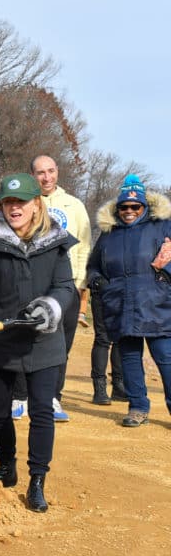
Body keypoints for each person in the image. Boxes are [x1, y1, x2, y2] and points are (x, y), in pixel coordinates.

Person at [0, 174, 76, 512]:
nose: (14, 208)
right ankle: (7, 465)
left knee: (41, 412)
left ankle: (37, 480)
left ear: (37, 204)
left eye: (21, 201)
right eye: (8, 202)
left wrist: (49, 307)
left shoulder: (56, 241)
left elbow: (66, 286)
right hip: (1, 336)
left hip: (43, 340)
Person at [86, 175, 171, 428]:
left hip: (157, 305)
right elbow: (93, 267)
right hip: (121, 305)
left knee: (166, 358)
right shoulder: (108, 234)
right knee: (130, 359)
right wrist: (98, 282)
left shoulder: (163, 226)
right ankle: (138, 407)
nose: (129, 211)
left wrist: (165, 273)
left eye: (135, 206)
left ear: (144, 206)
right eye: (124, 207)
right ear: (117, 208)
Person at [32, 154, 92, 422]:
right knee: (29, 339)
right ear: (32, 175)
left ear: (58, 172)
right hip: (33, 284)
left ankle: (54, 397)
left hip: (66, 285)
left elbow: (84, 246)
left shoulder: (74, 205)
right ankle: (23, 396)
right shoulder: (26, 202)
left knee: (61, 345)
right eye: (40, 172)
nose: (46, 177)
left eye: (51, 171)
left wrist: (80, 283)